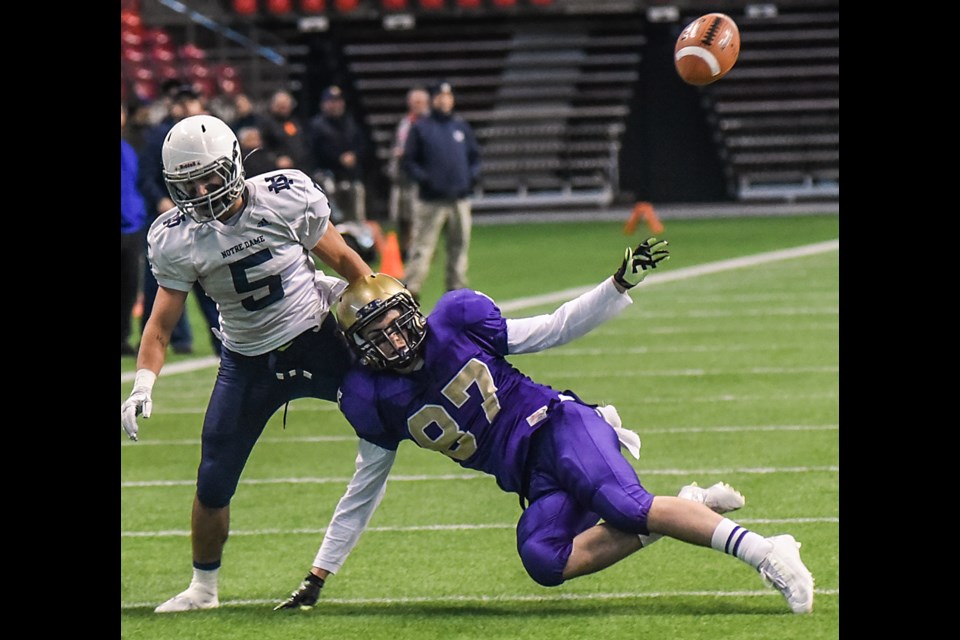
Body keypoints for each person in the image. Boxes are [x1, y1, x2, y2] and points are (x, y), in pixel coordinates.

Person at [275, 239, 815, 615]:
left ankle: (769, 553)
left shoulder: (458, 322)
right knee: (542, 559)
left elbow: (554, 328)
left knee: (627, 506)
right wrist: (319, 573)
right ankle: (686, 508)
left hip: (558, 425)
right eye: (379, 335)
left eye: (397, 323)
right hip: (531, 477)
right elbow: (363, 489)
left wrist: (615, 284)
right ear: (362, 349)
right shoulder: (374, 399)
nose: (395, 340)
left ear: (413, 310)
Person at [120, 114, 374, 613]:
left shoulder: (283, 194)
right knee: (213, 477)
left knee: (400, 405)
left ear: (235, 163)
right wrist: (142, 384)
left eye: (208, 176)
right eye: (186, 183)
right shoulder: (175, 236)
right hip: (248, 360)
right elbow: (160, 326)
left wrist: (375, 309)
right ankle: (203, 588)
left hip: (319, 338)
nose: (199, 190)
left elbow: (345, 261)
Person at [137, 81, 222, 355]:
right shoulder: (158, 136)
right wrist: (161, 200)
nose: (185, 106)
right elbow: (147, 175)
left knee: (211, 279)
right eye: (180, 101)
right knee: (165, 282)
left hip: (206, 216)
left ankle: (221, 337)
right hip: (169, 219)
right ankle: (176, 340)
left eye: (190, 100)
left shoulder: (211, 133)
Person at [402, 81, 481, 302]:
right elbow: (409, 161)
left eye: (448, 96)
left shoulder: (460, 126)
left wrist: (471, 178)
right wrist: (426, 181)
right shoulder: (421, 127)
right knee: (422, 247)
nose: (444, 100)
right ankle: (411, 290)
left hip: (459, 199)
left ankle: (456, 290)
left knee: (459, 246)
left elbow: (474, 157)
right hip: (431, 201)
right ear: (433, 100)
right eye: (440, 96)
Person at [308, 85, 369, 223]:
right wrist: (338, 158)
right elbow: (315, 151)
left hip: (350, 175)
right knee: (333, 214)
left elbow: (362, 144)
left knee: (356, 212)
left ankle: (358, 238)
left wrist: (355, 155)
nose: (335, 105)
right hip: (326, 175)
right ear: (324, 104)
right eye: (331, 101)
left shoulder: (351, 122)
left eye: (338, 101)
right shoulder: (317, 125)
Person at [387, 86, 430, 260]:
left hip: (418, 178)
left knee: (417, 217)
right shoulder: (404, 122)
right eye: (414, 102)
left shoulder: (429, 125)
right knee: (402, 217)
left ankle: (418, 250)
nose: (416, 105)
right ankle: (404, 249)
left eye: (420, 102)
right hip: (401, 176)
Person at [122, 103, 148, 356]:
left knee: (129, 286)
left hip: (131, 227)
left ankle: (123, 337)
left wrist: (138, 213)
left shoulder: (129, 149)